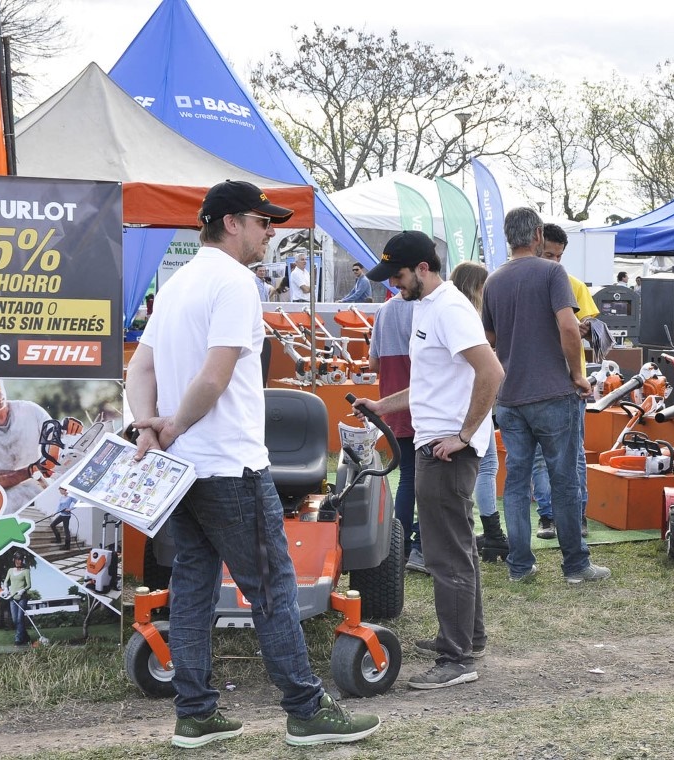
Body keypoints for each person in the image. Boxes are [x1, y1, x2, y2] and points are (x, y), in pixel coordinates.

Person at [126, 180, 379, 749]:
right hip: (228, 465)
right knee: (271, 588)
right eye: (265, 223)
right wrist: (172, 425)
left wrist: (152, 426)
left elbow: (139, 371)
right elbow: (214, 378)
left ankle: (195, 714)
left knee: (191, 586)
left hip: (181, 470)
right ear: (234, 222)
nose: (272, 233)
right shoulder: (235, 283)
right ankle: (306, 710)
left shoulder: (177, 283)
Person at [356, 230, 504, 689]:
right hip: (436, 442)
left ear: (423, 268)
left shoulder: (450, 308)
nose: (394, 285)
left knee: (446, 555)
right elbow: (431, 382)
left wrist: (464, 434)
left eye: (398, 275)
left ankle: (456, 658)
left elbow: (492, 371)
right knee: (456, 548)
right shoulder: (425, 307)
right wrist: (384, 407)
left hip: (446, 448)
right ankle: (466, 638)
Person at [481, 207, 609, 585]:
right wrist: (576, 375)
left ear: (509, 237)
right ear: (538, 234)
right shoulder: (553, 273)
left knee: (517, 483)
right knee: (564, 479)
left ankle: (520, 566)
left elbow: (488, 342)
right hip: (553, 392)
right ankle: (575, 566)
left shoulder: (493, 281)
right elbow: (570, 328)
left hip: (510, 396)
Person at [535, 223, 597, 540]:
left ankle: (576, 517)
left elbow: (588, 324)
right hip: (538, 381)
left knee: (573, 454)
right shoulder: (525, 281)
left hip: (571, 383)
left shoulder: (573, 285)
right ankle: (547, 517)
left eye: (558, 256)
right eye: (548, 254)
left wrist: (585, 328)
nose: (553, 262)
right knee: (541, 457)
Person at [450, 261, 507, 558]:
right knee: (485, 467)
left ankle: (486, 532)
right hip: (474, 400)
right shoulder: (469, 317)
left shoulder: (450, 312)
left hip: (460, 401)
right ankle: (493, 532)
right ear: (477, 287)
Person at [369, 292, 422, 572]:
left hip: (392, 402)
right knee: (423, 477)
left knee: (407, 476)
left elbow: (373, 363)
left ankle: (398, 546)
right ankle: (416, 546)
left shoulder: (384, 311)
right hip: (420, 402)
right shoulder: (425, 307)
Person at [0, 378, 50, 510]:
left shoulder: (31, 410)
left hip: (46, 491)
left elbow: (58, 444)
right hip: (6, 505)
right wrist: (31, 470)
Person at [0, 552, 33, 646]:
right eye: (17, 559)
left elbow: (29, 585)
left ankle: (18, 639)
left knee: (19, 619)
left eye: (20, 559)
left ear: (22, 560)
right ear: (14, 560)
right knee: (15, 620)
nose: (18, 561)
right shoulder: (10, 570)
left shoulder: (26, 571)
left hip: (22, 598)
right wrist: (6, 589)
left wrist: (23, 590)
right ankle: (25, 636)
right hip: (12, 598)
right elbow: (6, 581)